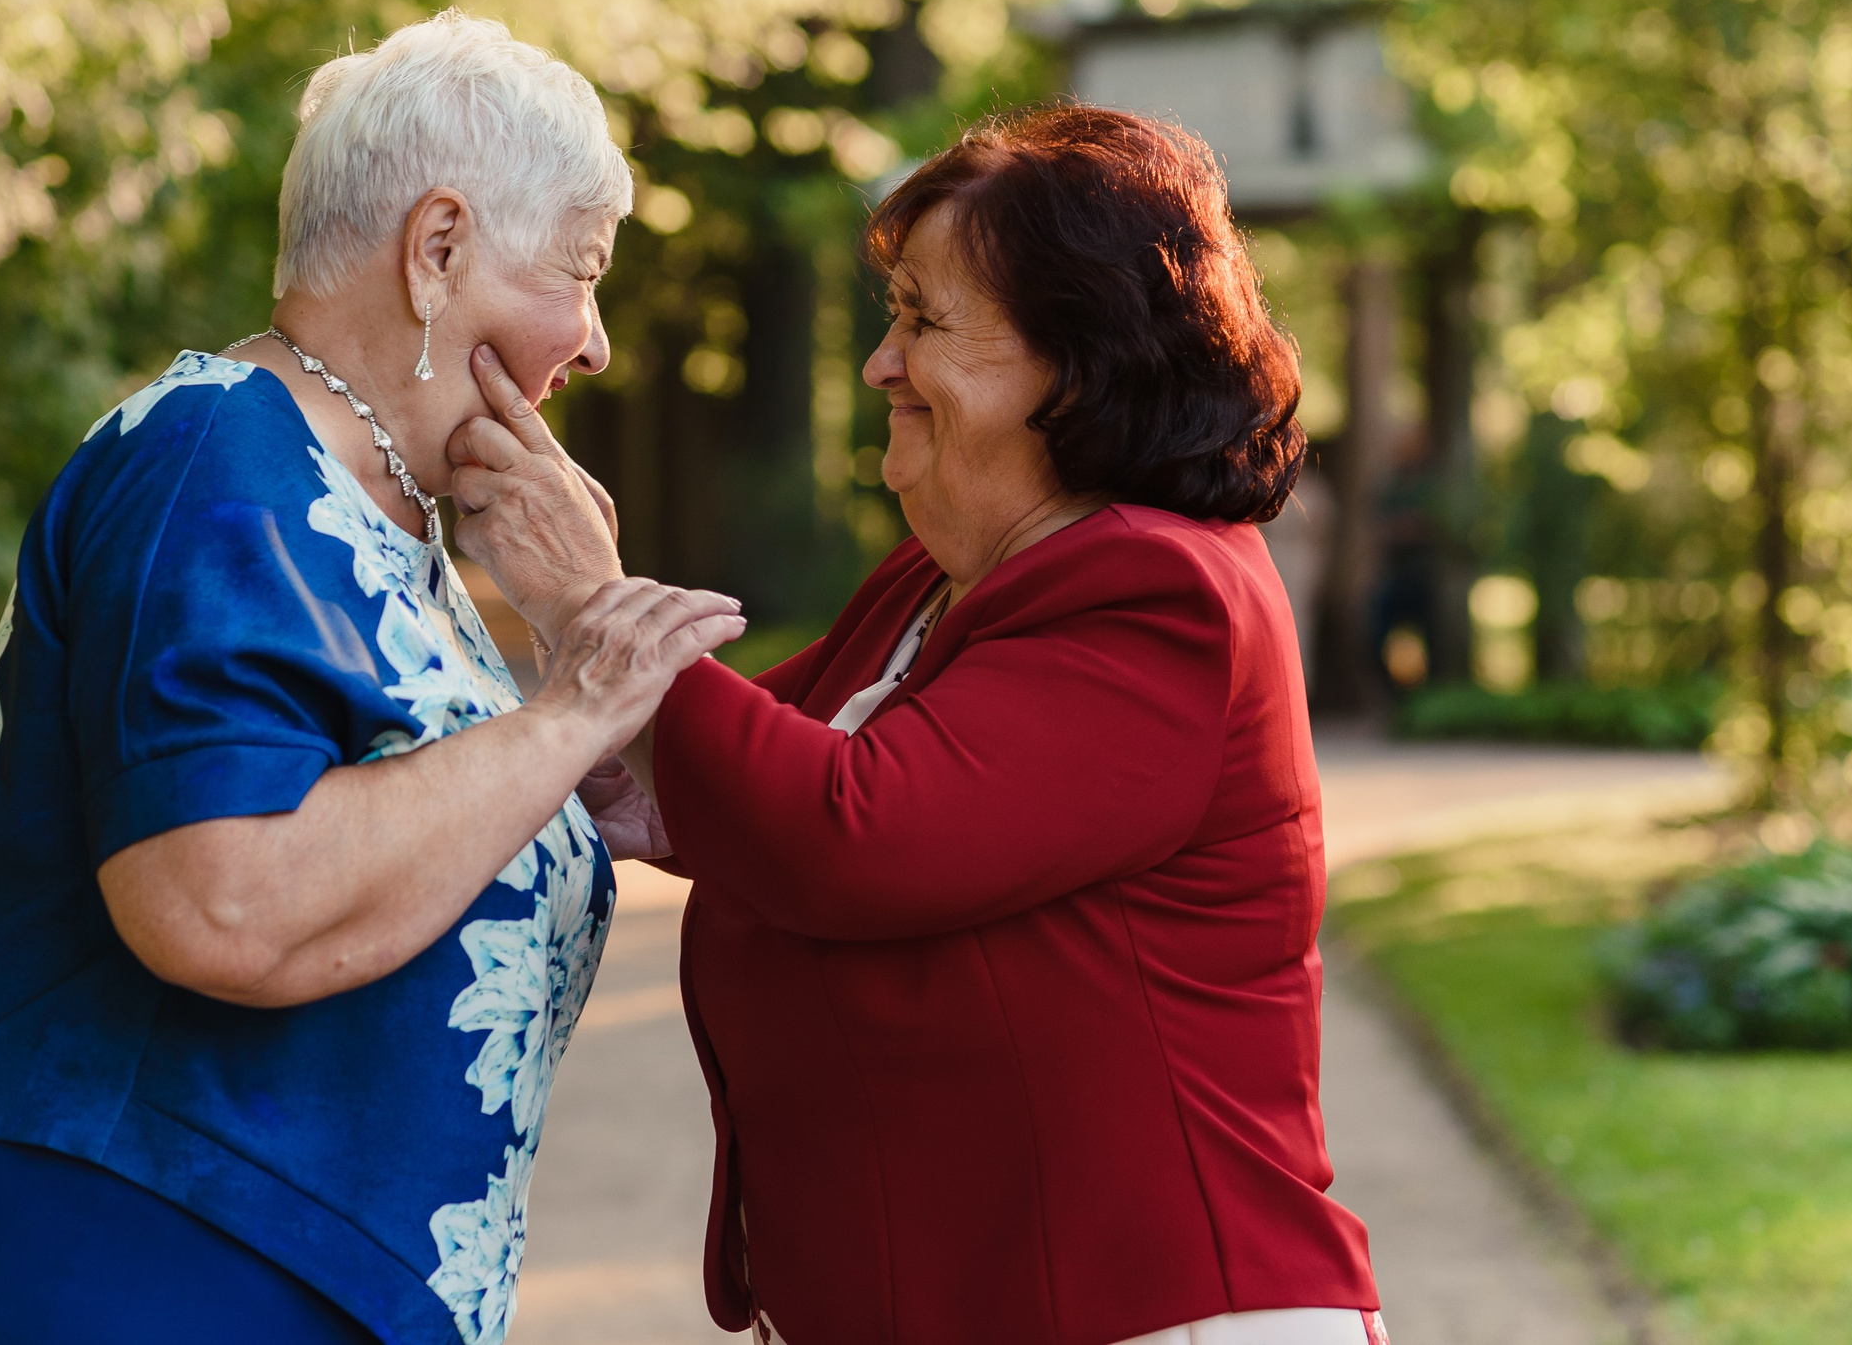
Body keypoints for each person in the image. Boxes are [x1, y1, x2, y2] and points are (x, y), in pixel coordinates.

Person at [0, 11, 744, 1345]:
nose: (593, 341)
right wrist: (573, 708)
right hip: (116, 1246)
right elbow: (223, 901)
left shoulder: (383, 519)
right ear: (438, 249)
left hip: (250, 1262)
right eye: (581, 272)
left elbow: (386, 829)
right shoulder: (214, 457)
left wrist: (565, 774)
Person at [456, 103, 1384, 1345]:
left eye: (925, 322)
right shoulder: (945, 578)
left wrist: (589, 601)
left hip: (1151, 1312)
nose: (880, 364)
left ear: (1080, 356)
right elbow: (768, 763)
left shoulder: (1160, 592)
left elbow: (850, 831)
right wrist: (635, 772)